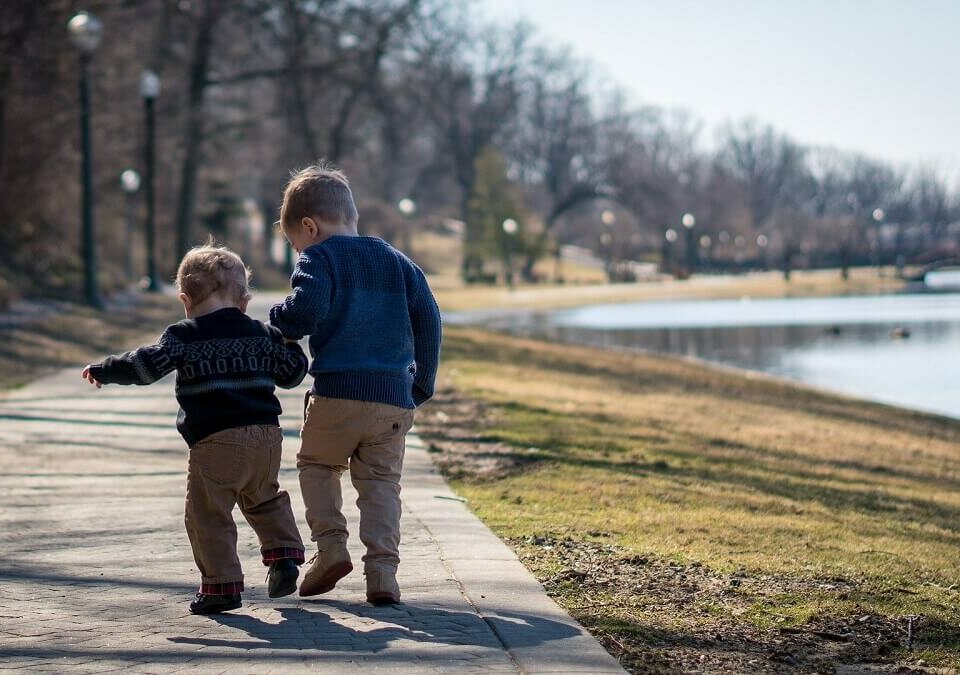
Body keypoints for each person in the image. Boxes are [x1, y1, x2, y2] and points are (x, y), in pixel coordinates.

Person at [82, 244, 308, 615]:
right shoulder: (261, 333)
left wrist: (106, 369)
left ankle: (221, 586)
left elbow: (145, 367)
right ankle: (283, 557)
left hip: (216, 440)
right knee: (264, 497)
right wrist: (290, 342)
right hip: (266, 438)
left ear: (185, 299)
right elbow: (292, 374)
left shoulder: (183, 336)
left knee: (208, 514)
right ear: (244, 301)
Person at [270, 161, 442, 605]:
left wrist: (278, 319)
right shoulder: (398, 261)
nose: (297, 249)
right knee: (382, 484)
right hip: (392, 399)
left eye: (294, 242)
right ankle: (383, 573)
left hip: (337, 394)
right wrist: (422, 383)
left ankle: (330, 548)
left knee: (317, 466)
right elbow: (429, 320)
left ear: (309, 226)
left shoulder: (318, 257)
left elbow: (304, 312)